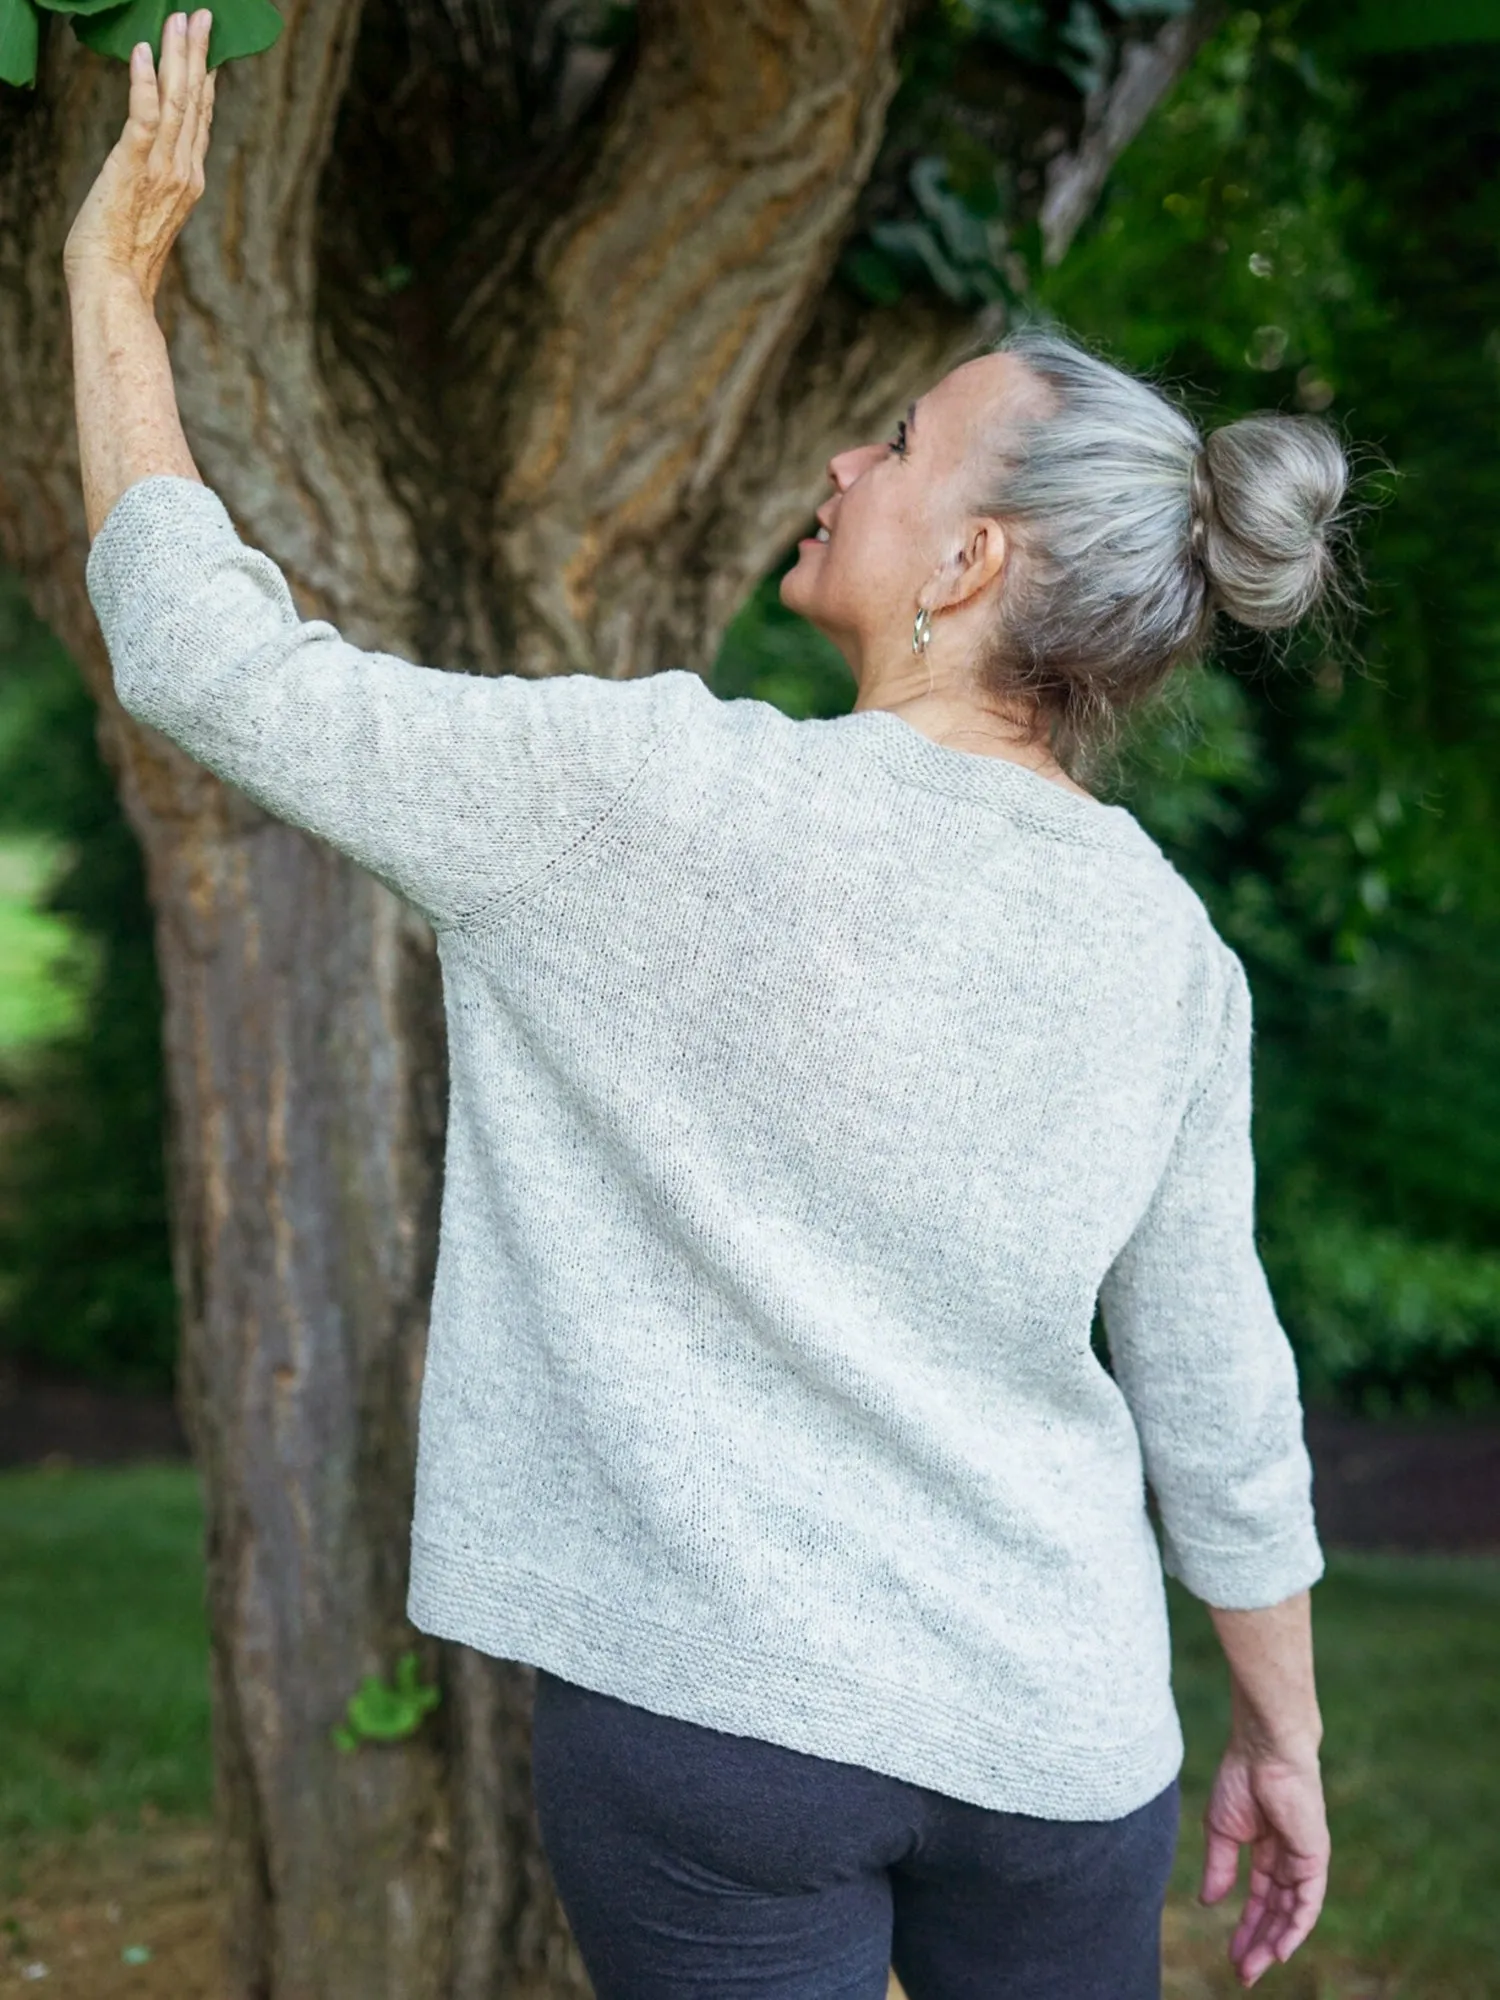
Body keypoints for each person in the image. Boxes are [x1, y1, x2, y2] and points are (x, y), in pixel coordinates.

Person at [66, 18, 1338, 1998]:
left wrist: (110, 291)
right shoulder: (1171, 952)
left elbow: (207, 663)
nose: (844, 458)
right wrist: (1286, 1729)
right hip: (1068, 1742)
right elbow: (1218, 1385)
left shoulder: (644, 795)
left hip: (720, 1731)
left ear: (973, 564)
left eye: (898, 445)